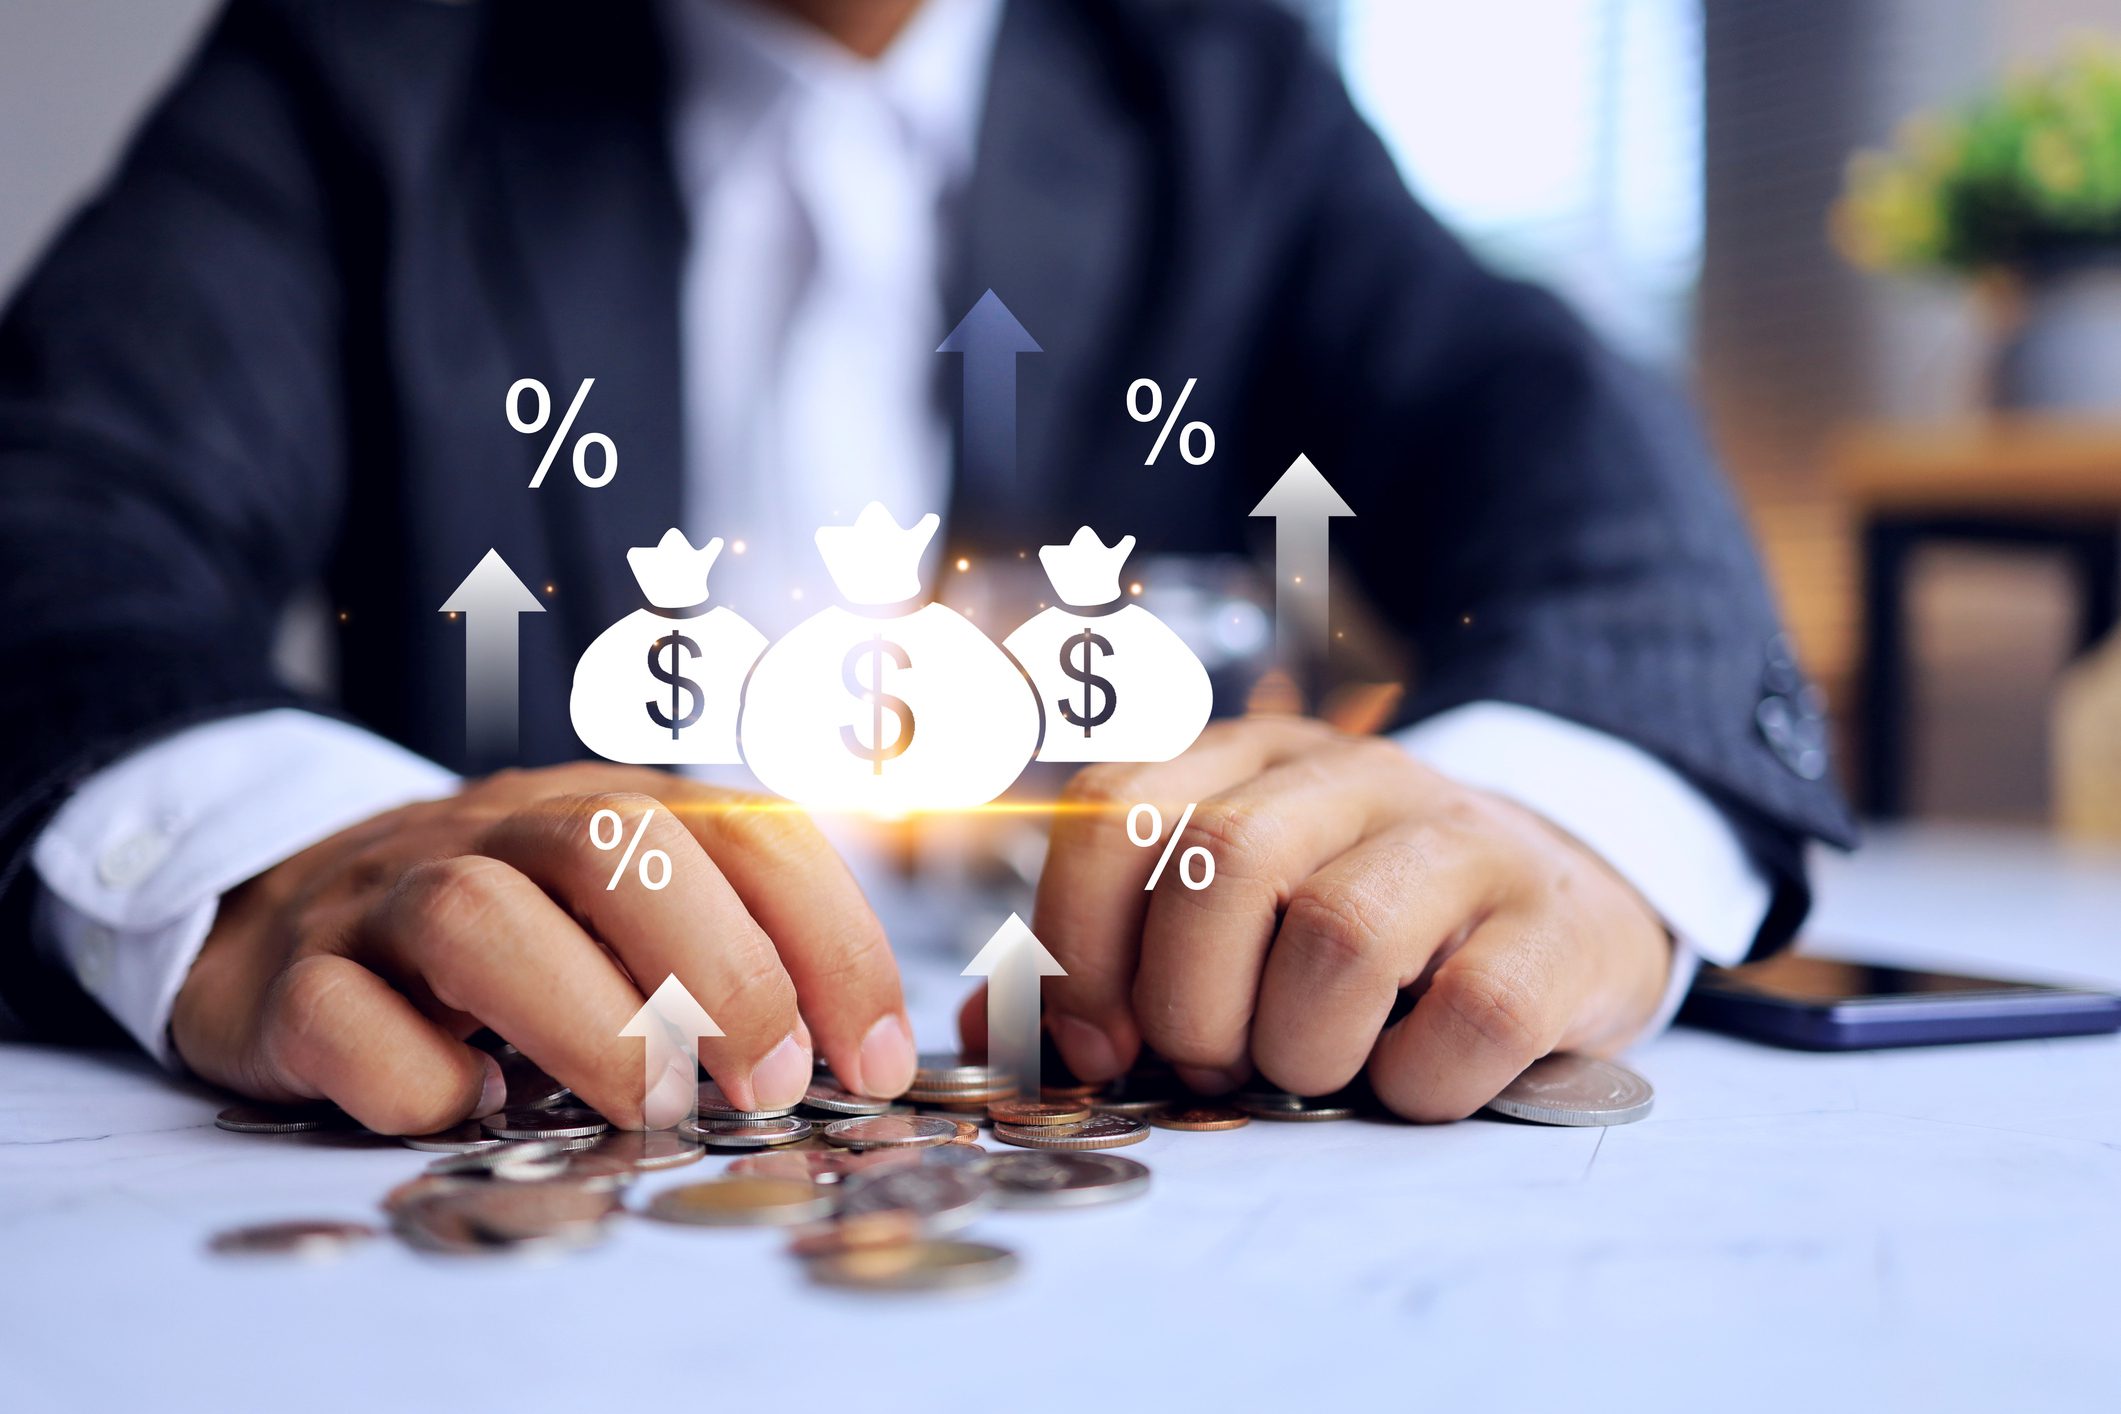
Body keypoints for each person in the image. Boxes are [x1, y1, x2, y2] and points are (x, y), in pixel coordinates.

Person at [0, 0, 1852, 1133]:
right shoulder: (353, 70)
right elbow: (56, 510)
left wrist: (1558, 826)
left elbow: (1578, 458)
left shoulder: (1218, 93)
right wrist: (247, 853)